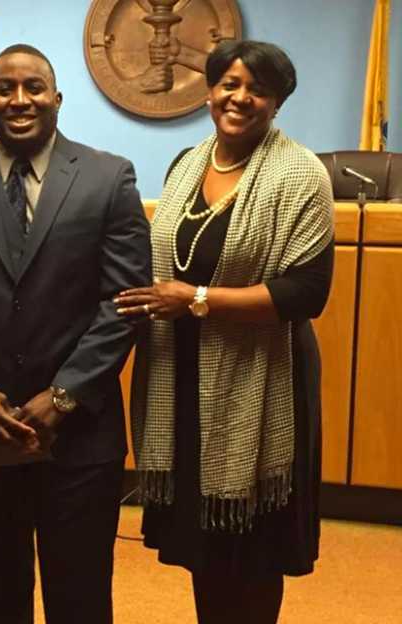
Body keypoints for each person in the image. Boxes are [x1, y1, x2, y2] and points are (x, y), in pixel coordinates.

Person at [0, 44, 151, 624]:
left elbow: (122, 303)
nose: (19, 100)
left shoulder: (107, 176)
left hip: (79, 434)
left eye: (34, 87)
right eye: (5, 89)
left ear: (57, 99)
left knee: (80, 596)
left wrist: (64, 394)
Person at [115, 40, 334, 624]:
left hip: (263, 385)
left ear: (277, 101)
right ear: (210, 91)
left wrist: (198, 301)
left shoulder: (302, 174)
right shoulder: (186, 162)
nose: (240, 97)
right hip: (183, 376)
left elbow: (306, 294)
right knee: (204, 543)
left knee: (253, 549)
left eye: (256, 88)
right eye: (229, 84)